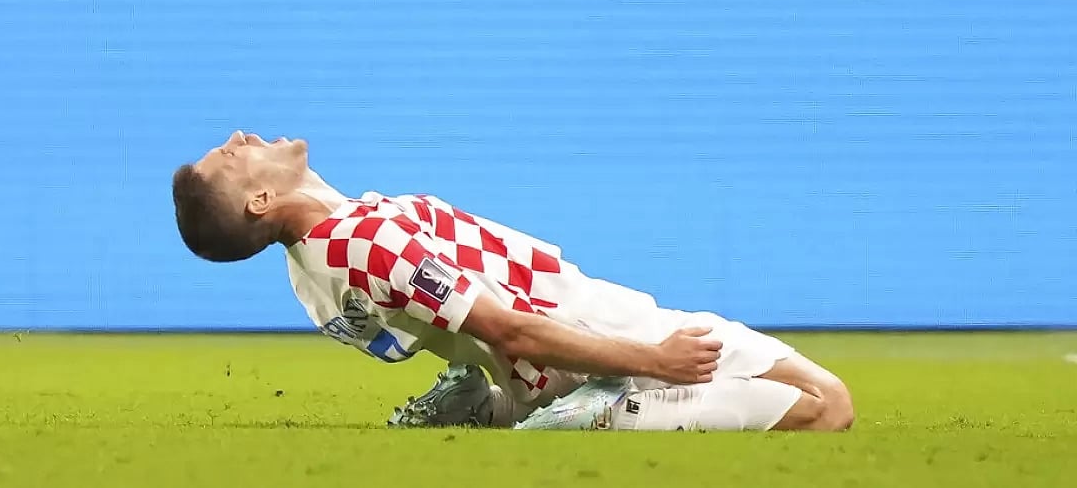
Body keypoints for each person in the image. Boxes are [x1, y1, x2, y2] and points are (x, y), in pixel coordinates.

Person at [171, 132, 855, 432]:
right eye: (233, 156)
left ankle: (493, 406)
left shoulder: (312, 271)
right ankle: (583, 418)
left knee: (820, 399)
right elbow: (507, 326)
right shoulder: (364, 241)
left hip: (559, 348)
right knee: (828, 406)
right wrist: (654, 359)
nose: (241, 134)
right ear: (259, 201)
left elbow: (411, 332)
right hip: (593, 338)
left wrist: (481, 370)